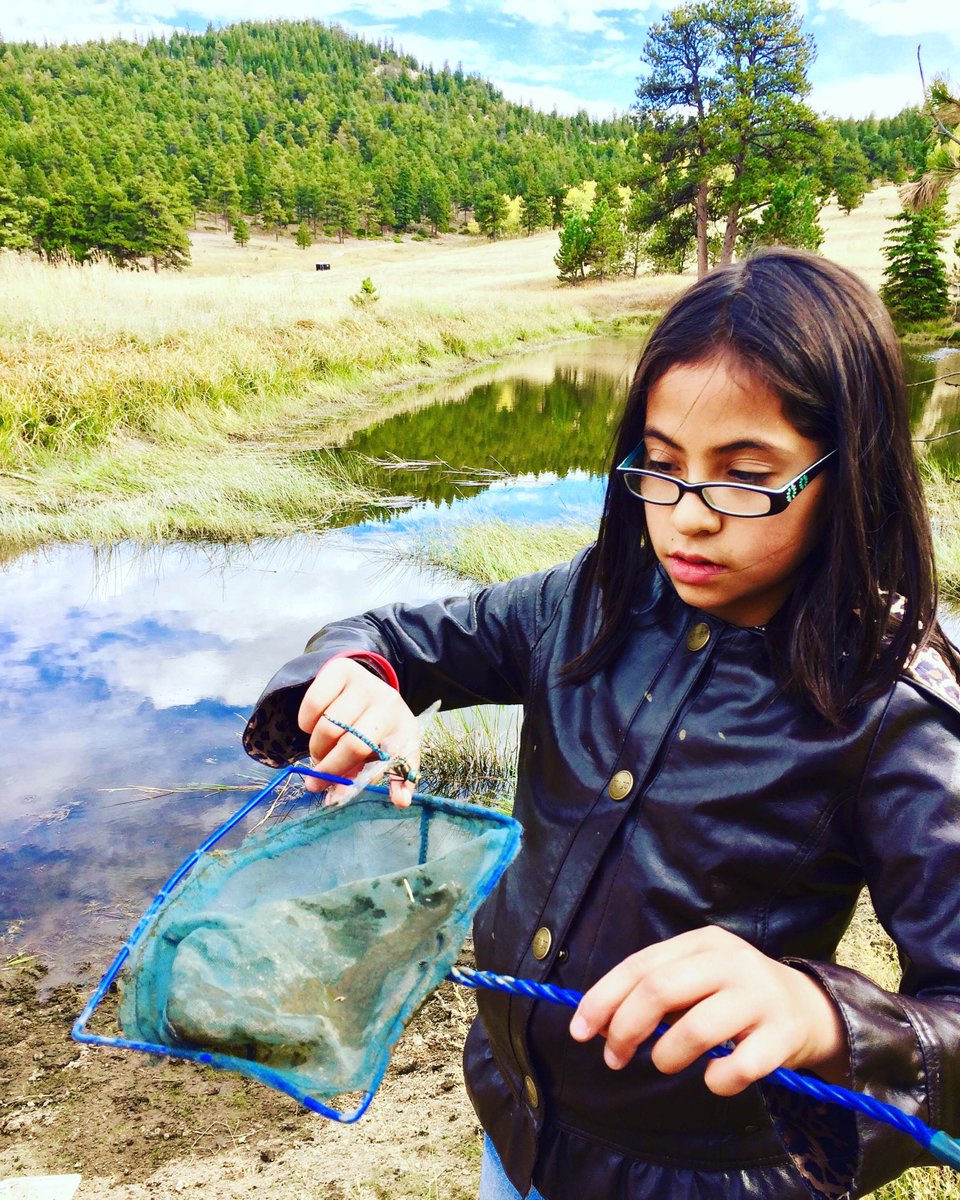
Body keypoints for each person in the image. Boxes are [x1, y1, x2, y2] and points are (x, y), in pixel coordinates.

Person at [243, 247, 960, 1200]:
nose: (687, 520)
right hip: (516, 1123)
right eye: (660, 468)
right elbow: (389, 636)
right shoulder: (588, 601)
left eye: (745, 477)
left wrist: (821, 1013)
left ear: (852, 469)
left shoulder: (894, 705)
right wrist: (355, 679)